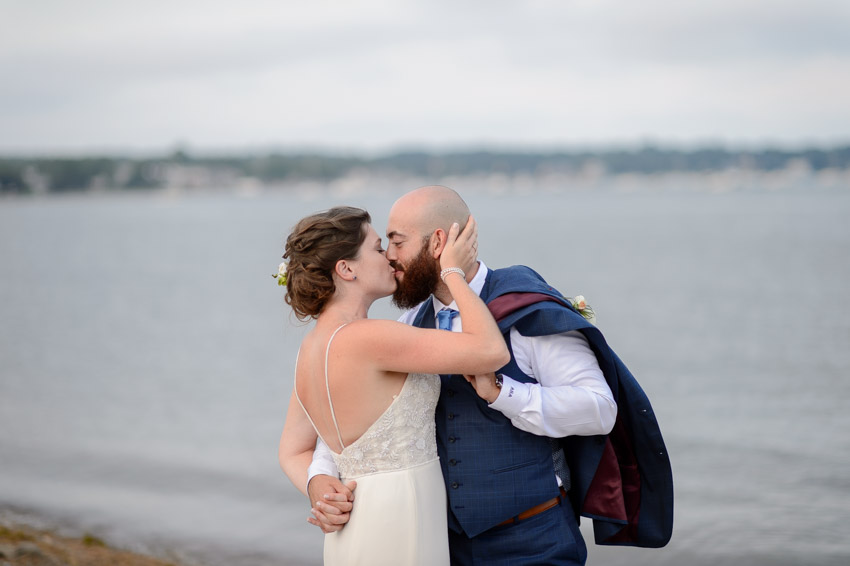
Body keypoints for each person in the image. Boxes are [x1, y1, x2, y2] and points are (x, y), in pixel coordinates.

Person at [303, 187, 622, 565]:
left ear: (439, 242)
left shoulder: (525, 309)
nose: (389, 256)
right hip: (439, 543)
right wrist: (320, 478)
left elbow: (601, 410)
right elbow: (362, 419)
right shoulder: (410, 323)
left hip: (532, 540)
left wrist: (504, 391)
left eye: (397, 242)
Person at [277, 205, 510, 566]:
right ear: (346, 268)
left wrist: (317, 487)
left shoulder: (309, 349)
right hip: (402, 514)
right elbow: (490, 350)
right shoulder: (371, 338)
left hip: (355, 523)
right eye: (375, 247)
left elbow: (292, 451)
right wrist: (453, 273)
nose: (388, 255)